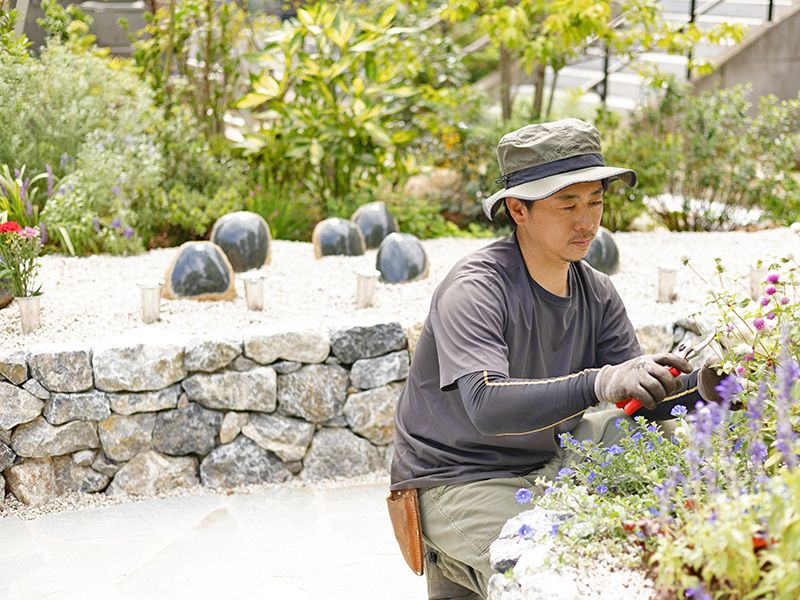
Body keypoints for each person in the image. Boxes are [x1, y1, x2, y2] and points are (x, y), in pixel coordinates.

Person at [389, 118, 723, 599]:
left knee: (640, 435)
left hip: (550, 455)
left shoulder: (597, 292)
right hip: (461, 476)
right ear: (517, 210)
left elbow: (642, 403)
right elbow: (485, 406)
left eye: (596, 201)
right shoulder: (476, 288)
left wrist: (716, 386)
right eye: (567, 204)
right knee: (547, 568)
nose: (586, 221)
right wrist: (599, 383)